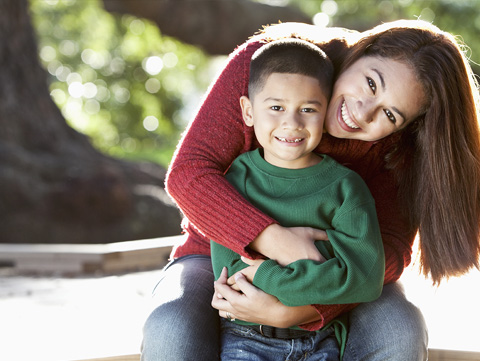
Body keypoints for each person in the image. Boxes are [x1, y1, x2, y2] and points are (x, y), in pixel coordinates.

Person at [141, 20, 480, 361]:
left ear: (406, 127)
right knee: (169, 326)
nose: (362, 112)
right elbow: (189, 174)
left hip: (337, 274)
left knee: (400, 328)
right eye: (370, 83)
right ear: (361, 50)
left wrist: (304, 309)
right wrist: (277, 242)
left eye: (389, 114)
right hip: (217, 253)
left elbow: (389, 251)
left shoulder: (396, 149)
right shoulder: (273, 63)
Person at [210, 38, 385, 361]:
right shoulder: (235, 181)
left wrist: (263, 274)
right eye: (276, 108)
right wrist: (322, 265)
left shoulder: (346, 187)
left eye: (308, 109)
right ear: (248, 112)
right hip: (246, 338)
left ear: (326, 110)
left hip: (321, 338)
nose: (292, 123)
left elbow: (364, 279)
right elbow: (230, 274)